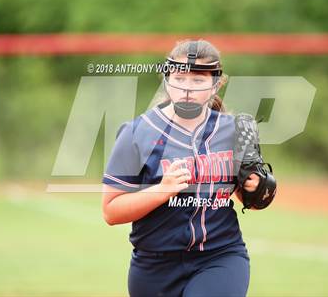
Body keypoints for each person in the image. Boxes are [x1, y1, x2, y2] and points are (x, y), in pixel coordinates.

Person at [102, 39, 261, 297]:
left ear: (216, 84)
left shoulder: (234, 130)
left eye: (198, 80)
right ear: (167, 80)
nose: (187, 88)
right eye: (179, 78)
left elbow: (250, 200)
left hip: (220, 255)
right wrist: (161, 191)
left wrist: (256, 188)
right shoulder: (137, 133)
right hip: (154, 265)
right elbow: (111, 211)